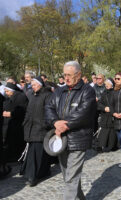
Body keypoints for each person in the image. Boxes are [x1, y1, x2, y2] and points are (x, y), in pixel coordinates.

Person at [45, 61, 96, 200]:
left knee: (71, 178)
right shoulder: (59, 90)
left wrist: (65, 125)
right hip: (61, 138)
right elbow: (49, 107)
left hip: (78, 138)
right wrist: (55, 122)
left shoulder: (87, 91)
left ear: (79, 75)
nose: (66, 78)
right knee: (68, 175)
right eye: (64, 74)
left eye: (69, 75)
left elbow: (83, 113)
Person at [20, 76, 52, 187]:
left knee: (36, 153)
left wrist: (44, 124)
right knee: (37, 152)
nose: (32, 87)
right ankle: (43, 171)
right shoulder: (33, 96)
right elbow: (28, 111)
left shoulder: (47, 95)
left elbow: (49, 112)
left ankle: (32, 176)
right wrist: (25, 122)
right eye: (31, 85)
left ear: (40, 84)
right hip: (31, 128)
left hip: (41, 128)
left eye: (33, 85)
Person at [2, 82, 28, 163]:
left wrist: (11, 113)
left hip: (18, 124)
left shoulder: (20, 97)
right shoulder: (10, 97)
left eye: (7, 91)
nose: (6, 93)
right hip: (10, 123)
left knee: (17, 142)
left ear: (12, 91)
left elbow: (23, 110)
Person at [97, 78, 118, 152]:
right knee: (104, 130)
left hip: (112, 114)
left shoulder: (116, 92)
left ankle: (113, 146)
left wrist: (111, 109)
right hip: (105, 115)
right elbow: (99, 103)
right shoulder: (104, 93)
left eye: (108, 84)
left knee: (112, 131)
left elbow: (118, 104)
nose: (106, 85)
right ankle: (100, 145)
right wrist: (104, 108)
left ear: (112, 85)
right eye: (106, 84)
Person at [92, 74, 106, 152]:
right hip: (95, 109)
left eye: (99, 78)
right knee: (95, 127)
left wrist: (99, 99)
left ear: (103, 79)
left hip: (103, 108)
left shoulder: (105, 86)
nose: (98, 79)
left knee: (102, 126)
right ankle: (96, 143)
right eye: (96, 78)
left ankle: (102, 143)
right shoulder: (93, 87)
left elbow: (107, 96)